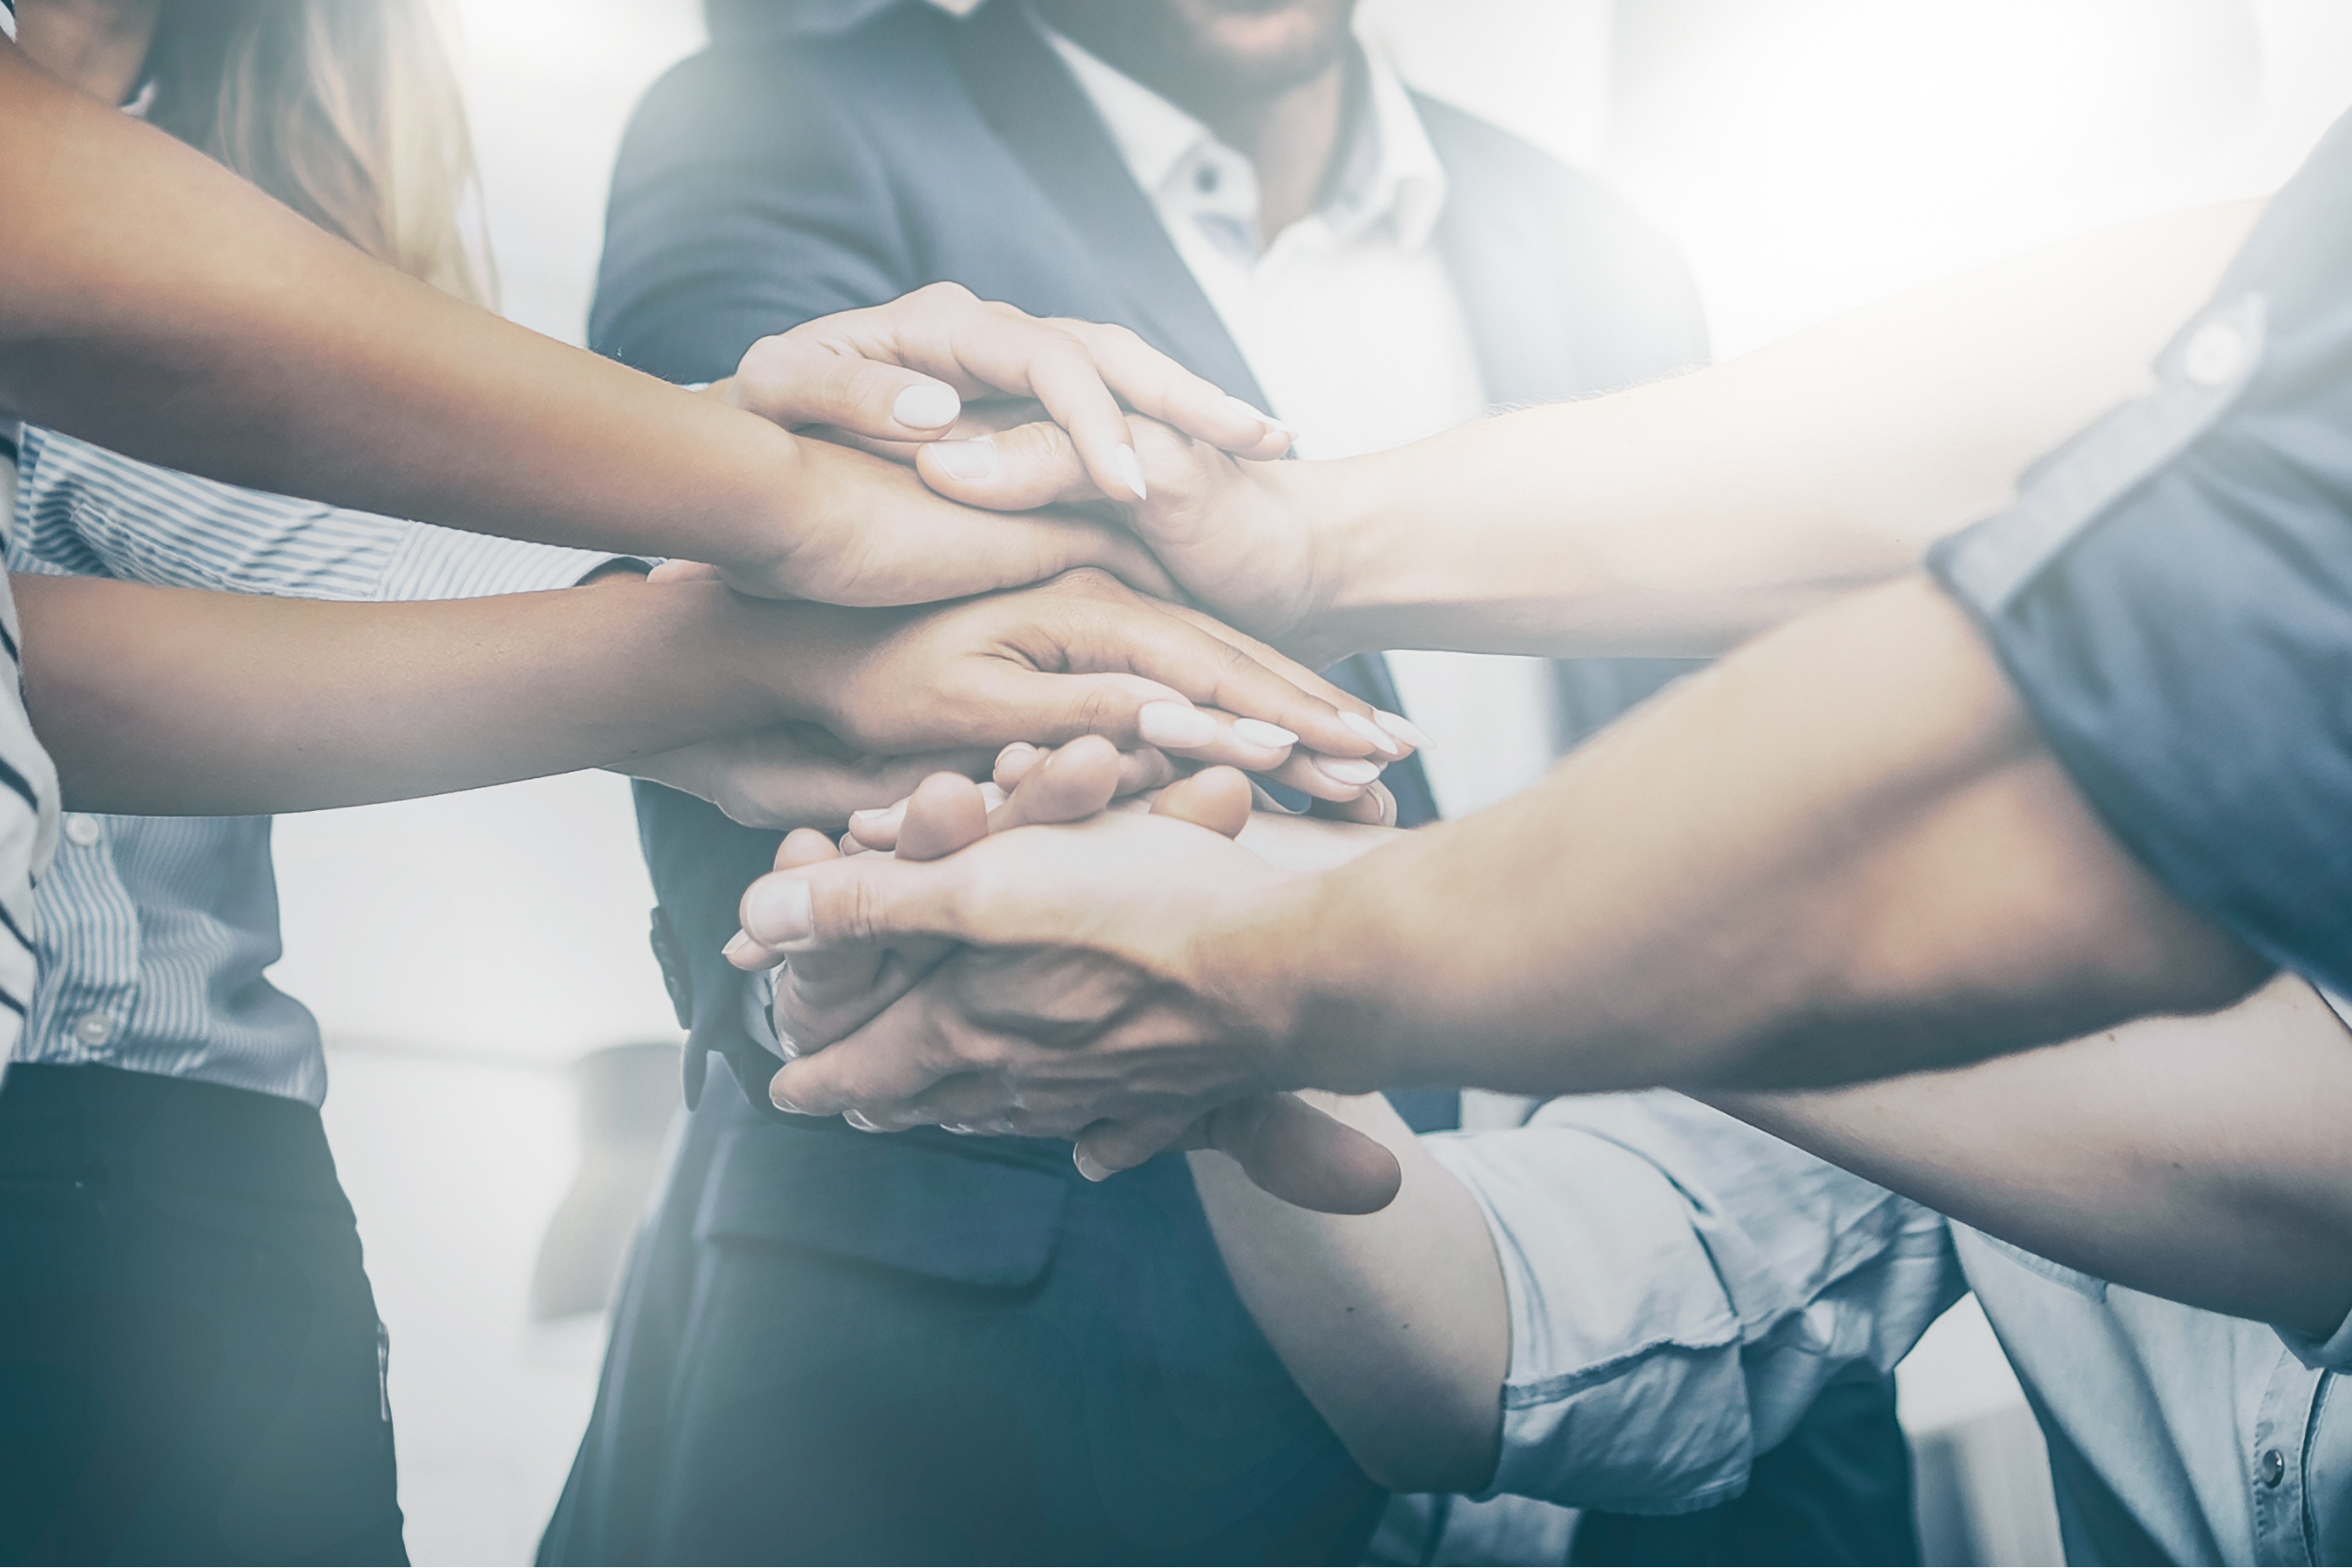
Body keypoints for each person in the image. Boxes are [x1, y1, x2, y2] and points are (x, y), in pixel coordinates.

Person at [0, 3, 1388, 1561]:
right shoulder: (779, 114)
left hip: (212, 1165)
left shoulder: (297, 104)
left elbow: (86, 619)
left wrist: (731, 634)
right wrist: (777, 523)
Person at [543, 2, 1907, 1561]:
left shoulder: (1603, 246)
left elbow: (1768, 744)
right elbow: (755, 609)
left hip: (1684, 1361)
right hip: (1037, 1387)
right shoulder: (788, 114)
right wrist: (827, 950)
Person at [730, 134, 2315, 1166]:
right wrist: (1297, 541)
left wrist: (1274, 949)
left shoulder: (1592, 235)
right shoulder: (802, 118)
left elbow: (2083, 739)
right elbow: (2192, 397)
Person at [762, 736, 2352, 1565]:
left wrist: (1310, 928)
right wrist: (1229, 1029)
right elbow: (1494, 1349)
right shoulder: (2067, 844)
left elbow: (2304, 1181)